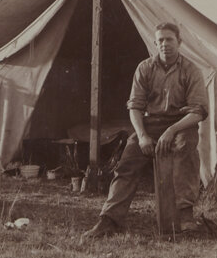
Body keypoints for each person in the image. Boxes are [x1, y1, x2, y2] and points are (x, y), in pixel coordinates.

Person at [82, 22, 209, 240]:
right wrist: (142, 136)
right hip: (151, 123)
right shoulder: (145, 68)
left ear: (179, 42)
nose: (164, 44)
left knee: (184, 149)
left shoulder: (191, 70)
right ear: (155, 43)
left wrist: (172, 130)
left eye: (169, 39)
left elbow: (198, 112)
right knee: (128, 160)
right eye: (160, 40)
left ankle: (185, 215)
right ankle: (110, 219)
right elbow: (135, 107)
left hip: (181, 123)